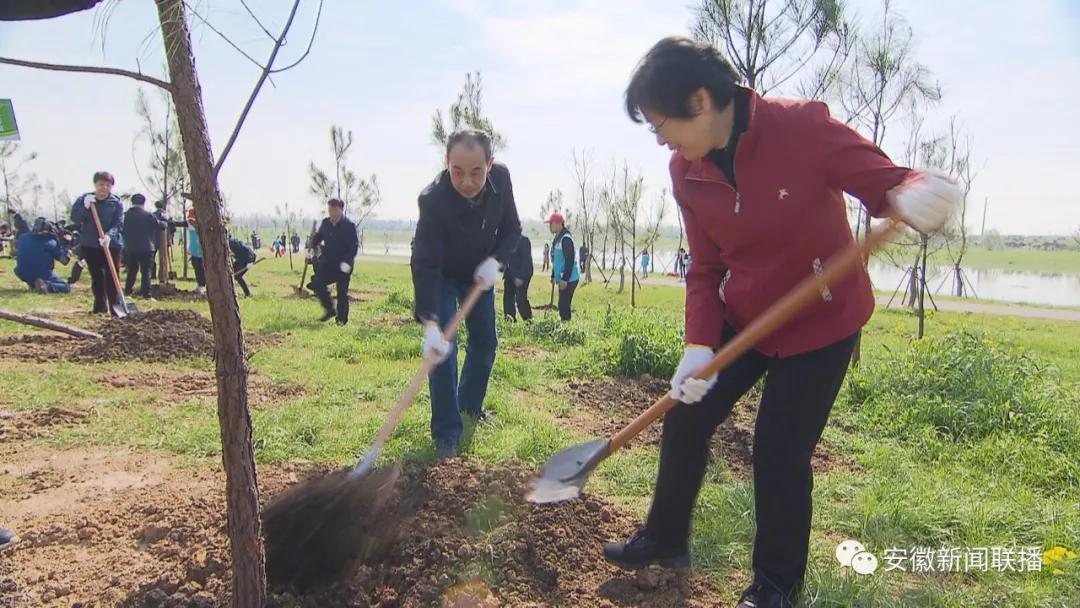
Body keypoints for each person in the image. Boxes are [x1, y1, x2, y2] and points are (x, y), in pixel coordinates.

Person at [603, 37, 961, 608]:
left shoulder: (802, 127)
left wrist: (912, 193)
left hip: (821, 318)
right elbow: (705, 265)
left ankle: (775, 586)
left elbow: (884, 181)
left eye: (661, 124)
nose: (663, 139)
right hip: (747, 314)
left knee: (778, 451)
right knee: (686, 417)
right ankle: (665, 538)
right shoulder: (685, 171)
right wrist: (698, 345)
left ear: (700, 99)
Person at [411, 129, 522, 460]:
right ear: (447, 163)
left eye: (476, 172)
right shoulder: (432, 199)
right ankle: (447, 432)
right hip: (443, 275)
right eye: (457, 171)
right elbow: (425, 261)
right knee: (443, 351)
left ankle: (469, 407)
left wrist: (496, 261)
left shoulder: (502, 180)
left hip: (480, 275)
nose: (467, 181)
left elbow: (512, 228)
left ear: (490, 163)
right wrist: (431, 322)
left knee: (486, 342)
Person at [69, 171, 124, 315]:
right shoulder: (85, 199)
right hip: (90, 244)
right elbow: (75, 218)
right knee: (97, 276)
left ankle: (115, 307)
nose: (104, 188)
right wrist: (85, 208)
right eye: (101, 184)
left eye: (108, 185)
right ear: (95, 184)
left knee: (113, 277)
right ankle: (100, 306)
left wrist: (109, 236)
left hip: (111, 245)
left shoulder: (116, 202)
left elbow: (119, 223)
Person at [309, 198, 359, 324]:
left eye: (334, 209)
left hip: (343, 265)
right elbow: (318, 238)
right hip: (328, 263)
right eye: (330, 209)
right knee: (317, 283)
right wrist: (312, 247)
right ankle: (329, 309)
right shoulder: (325, 223)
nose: (331, 212)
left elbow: (354, 246)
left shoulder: (349, 226)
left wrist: (347, 262)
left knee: (342, 292)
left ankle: (341, 320)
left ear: (341, 209)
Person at [122, 194, 167, 298]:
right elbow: (159, 225)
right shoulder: (148, 215)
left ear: (132, 202)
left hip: (130, 247)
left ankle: (128, 291)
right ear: (143, 203)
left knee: (132, 271)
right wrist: (165, 221)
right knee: (146, 271)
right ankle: (146, 294)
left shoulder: (125, 215)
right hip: (146, 247)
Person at [14, 218, 71, 294]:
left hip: (21, 273)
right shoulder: (50, 243)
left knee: (33, 269)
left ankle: (34, 284)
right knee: (66, 287)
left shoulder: (22, 237)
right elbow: (64, 261)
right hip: (41, 274)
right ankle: (46, 285)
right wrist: (66, 244)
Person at [545, 212, 579, 321]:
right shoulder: (557, 239)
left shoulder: (566, 239)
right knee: (562, 305)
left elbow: (570, 260)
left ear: (559, 224)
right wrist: (553, 275)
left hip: (570, 278)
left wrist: (565, 279)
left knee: (563, 305)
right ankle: (565, 325)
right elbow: (557, 261)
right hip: (562, 278)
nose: (549, 226)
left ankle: (567, 328)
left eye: (551, 223)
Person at [503, 234, 533, 322]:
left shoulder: (524, 240)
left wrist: (520, 276)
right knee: (508, 297)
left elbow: (526, 260)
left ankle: (528, 321)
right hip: (510, 272)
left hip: (523, 273)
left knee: (520, 298)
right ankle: (510, 320)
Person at [186, 208, 206, 294]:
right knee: (196, 268)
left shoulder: (201, 225)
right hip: (194, 250)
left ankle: (203, 285)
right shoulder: (189, 225)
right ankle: (199, 285)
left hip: (201, 251)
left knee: (201, 269)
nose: (190, 219)